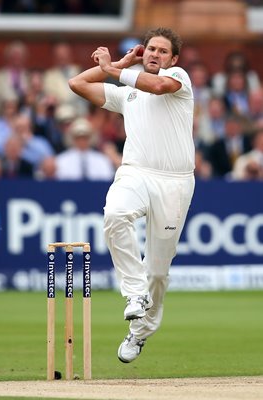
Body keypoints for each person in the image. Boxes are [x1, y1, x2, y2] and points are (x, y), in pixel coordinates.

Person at [69, 27, 195, 363]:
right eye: (150, 49)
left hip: (175, 183)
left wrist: (113, 69)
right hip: (136, 172)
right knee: (114, 214)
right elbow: (78, 84)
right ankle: (134, 293)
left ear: (173, 58)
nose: (155, 55)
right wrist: (121, 63)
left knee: (157, 271)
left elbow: (156, 86)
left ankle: (139, 334)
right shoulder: (128, 92)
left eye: (162, 51)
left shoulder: (177, 78)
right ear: (143, 52)